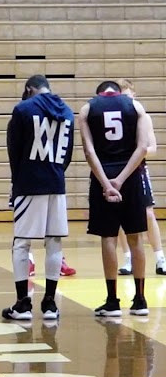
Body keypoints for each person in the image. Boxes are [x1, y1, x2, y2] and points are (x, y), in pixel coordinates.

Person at [2, 75, 74, 323]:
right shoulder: (67, 111)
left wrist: (17, 182)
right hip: (56, 182)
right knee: (54, 242)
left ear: (29, 89)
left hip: (29, 182)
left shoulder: (22, 109)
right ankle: (50, 304)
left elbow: (14, 150)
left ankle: (22, 304)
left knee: (21, 243)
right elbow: (67, 154)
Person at [78, 80, 149, 317]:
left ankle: (112, 301)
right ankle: (140, 300)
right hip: (130, 177)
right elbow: (142, 148)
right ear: (118, 93)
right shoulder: (135, 107)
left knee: (108, 238)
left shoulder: (88, 108)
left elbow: (89, 151)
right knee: (136, 238)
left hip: (102, 177)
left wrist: (107, 183)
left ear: (99, 94)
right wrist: (121, 179)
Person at [116, 79, 166, 276]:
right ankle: (128, 258)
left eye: (128, 97)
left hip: (138, 170)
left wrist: (138, 152)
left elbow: (152, 148)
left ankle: (160, 257)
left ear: (134, 96)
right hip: (119, 170)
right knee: (119, 216)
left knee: (148, 213)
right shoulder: (114, 120)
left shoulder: (142, 116)